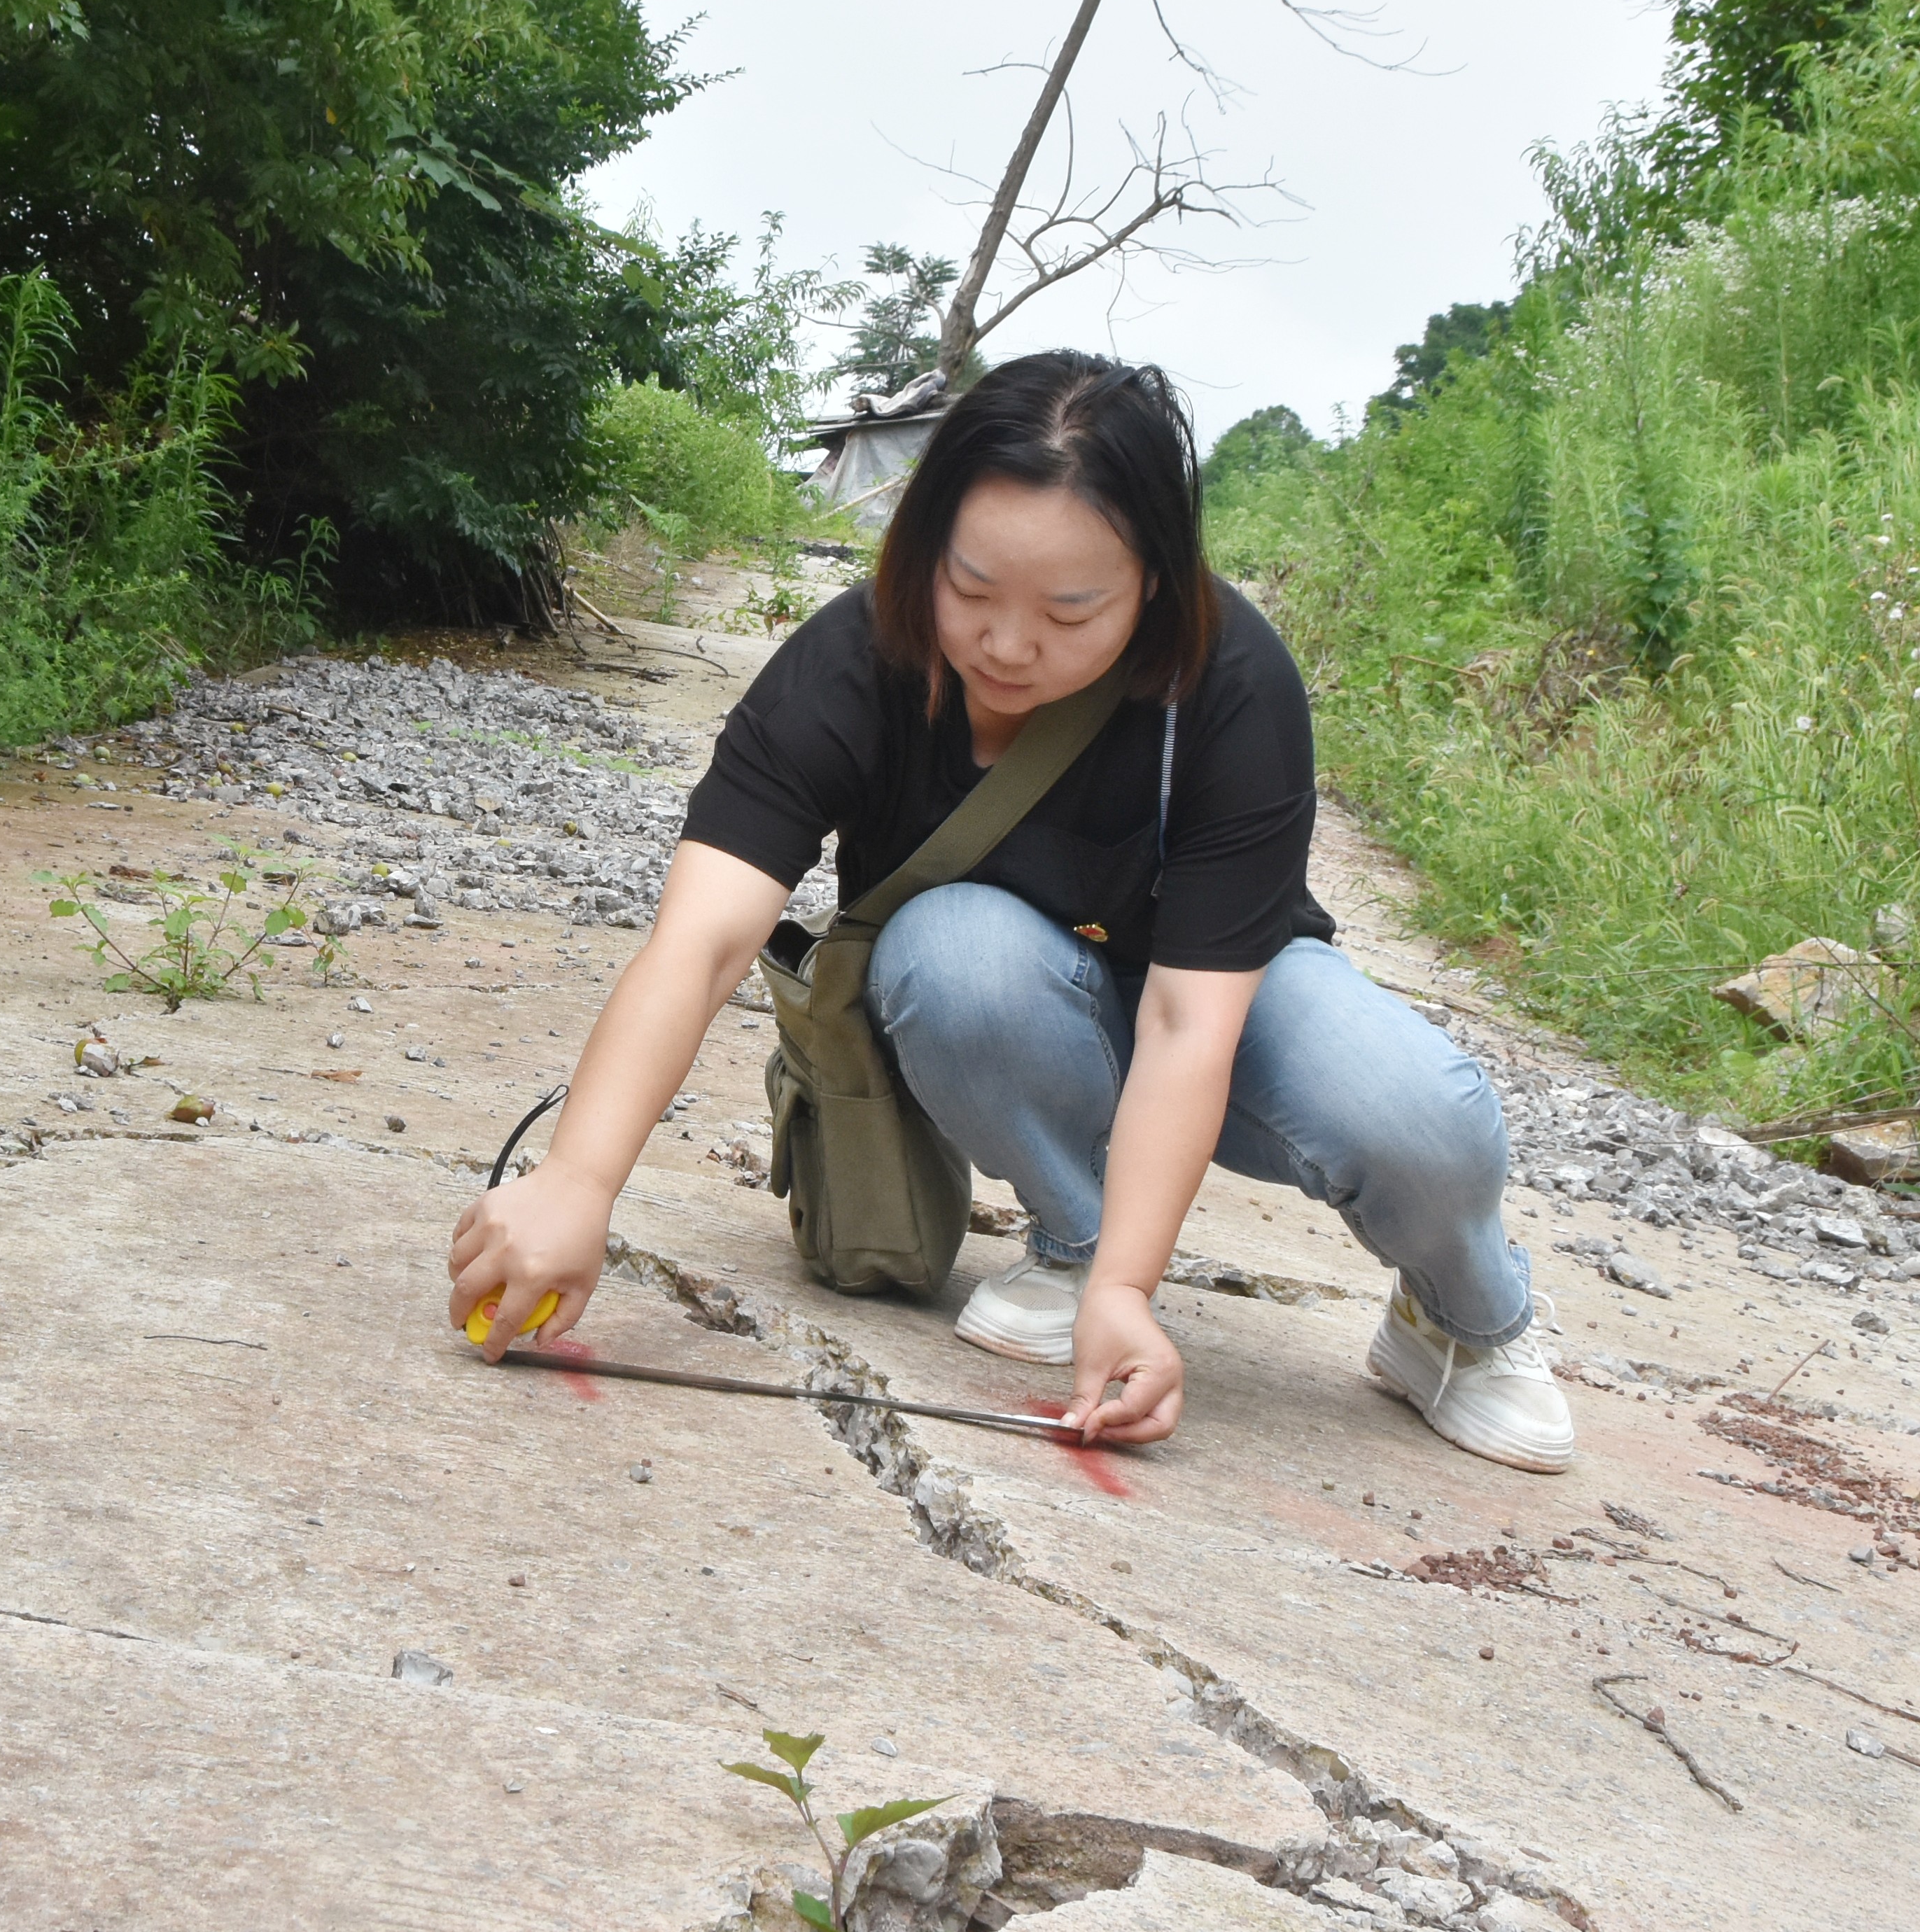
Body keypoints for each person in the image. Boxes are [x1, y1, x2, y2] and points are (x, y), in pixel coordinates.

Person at [443, 351, 1569, 1466]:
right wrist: (577, 1182)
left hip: (1225, 1001)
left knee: (1413, 1110)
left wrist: (1141, 1293)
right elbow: (700, 943)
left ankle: (1462, 1324)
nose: (1008, 644)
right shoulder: (849, 665)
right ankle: (1075, 1242)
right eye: (971, 590)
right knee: (946, 955)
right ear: (922, 545)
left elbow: (1190, 1024)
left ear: (1158, 587)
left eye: (1072, 613)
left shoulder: (1231, 686)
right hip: (1022, 995)